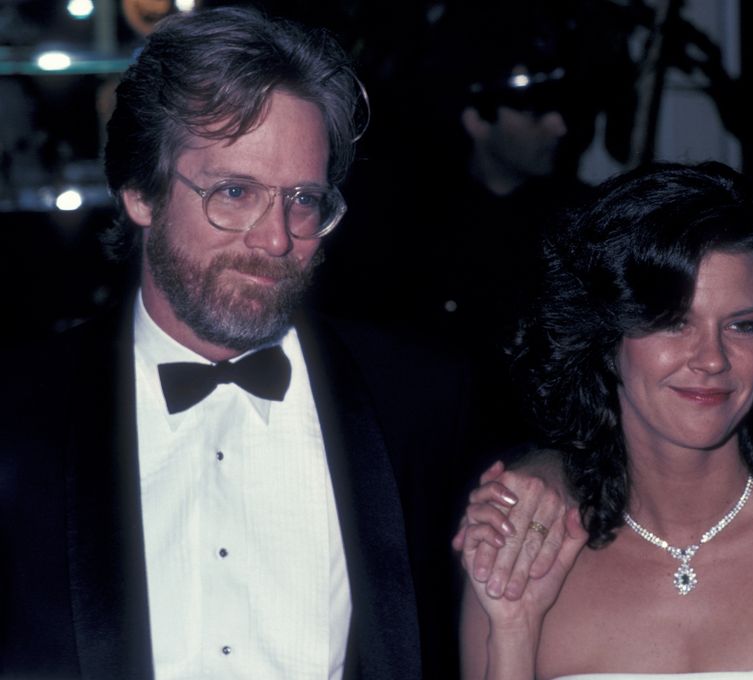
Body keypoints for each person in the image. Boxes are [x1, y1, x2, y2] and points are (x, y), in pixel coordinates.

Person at [0, 8, 473, 679]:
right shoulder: (19, 415)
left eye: (303, 200)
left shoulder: (419, 401)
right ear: (140, 192)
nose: (276, 238)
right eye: (233, 192)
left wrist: (543, 476)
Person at [454, 161, 753, 679]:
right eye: (675, 323)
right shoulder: (526, 551)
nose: (712, 359)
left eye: (742, 325)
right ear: (605, 339)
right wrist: (515, 629)